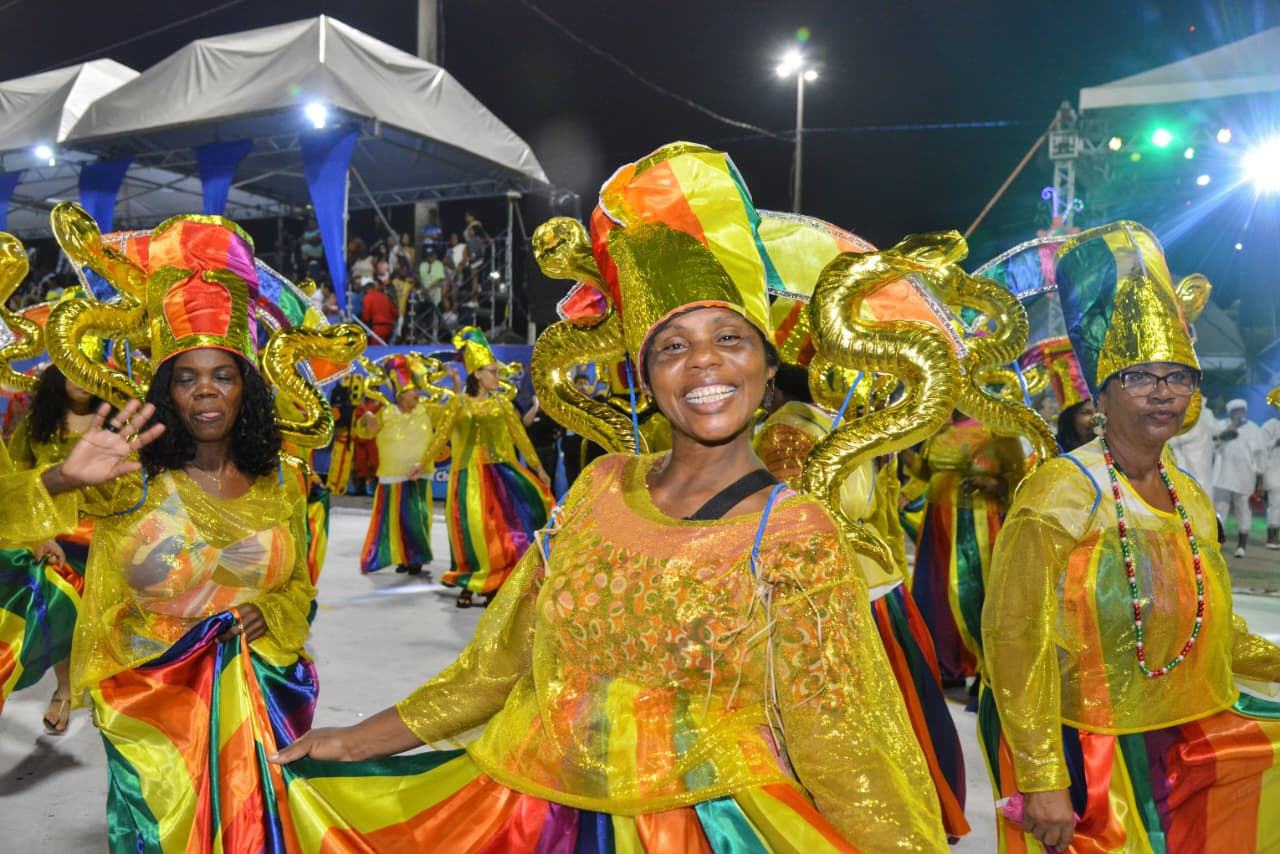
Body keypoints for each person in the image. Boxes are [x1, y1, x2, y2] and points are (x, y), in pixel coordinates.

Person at [271, 142, 947, 851]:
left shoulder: (796, 533)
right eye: (672, 346)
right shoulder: (598, 489)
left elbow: (836, 737)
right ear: (645, 376)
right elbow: (498, 664)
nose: (705, 361)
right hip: (538, 816)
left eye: (728, 337)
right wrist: (357, 740)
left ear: (767, 364)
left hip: (704, 828)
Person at [0, 208, 356, 851]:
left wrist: (267, 615)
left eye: (223, 375)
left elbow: (299, 591)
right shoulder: (127, 474)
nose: (206, 392)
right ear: (167, 389)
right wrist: (61, 480)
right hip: (151, 710)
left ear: (248, 387)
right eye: (186, 378)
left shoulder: (285, 481)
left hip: (263, 701)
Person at [982, 221, 1280, 853]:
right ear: (1102, 392)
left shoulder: (1189, 496)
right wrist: (1043, 779)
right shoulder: (1059, 494)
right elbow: (1015, 641)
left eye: (1179, 375)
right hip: (1090, 752)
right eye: (1140, 376)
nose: (1164, 391)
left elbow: (1214, 630)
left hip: (1186, 739)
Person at [3, 362, 102, 732]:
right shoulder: (36, 424)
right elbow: (16, 485)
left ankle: (107, 689)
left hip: (107, 529)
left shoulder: (115, 422)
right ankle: (64, 690)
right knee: (62, 601)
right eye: (71, 370)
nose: (80, 380)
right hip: (57, 533)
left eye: (88, 369)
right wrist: (32, 536)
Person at [909, 410, 1027, 685]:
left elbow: (1020, 477)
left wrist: (994, 483)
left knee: (972, 589)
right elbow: (922, 473)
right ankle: (944, 662)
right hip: (937, 521)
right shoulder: (938, 430)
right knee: (935, 590)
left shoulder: (999, 429)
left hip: (977, 523)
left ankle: (984, 663)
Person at [439, 327, 551, 607]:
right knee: (468, 529)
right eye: (492, 372)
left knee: (496, 531)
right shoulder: (458, 403)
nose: (498, 377)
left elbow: (519, 437)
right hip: (465, 475)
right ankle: (467, 582)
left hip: (498, 474)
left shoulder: (502, 404)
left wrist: (538, 468)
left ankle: (493, 582)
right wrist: (422, 463)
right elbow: (441, 435)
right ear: (477, 373)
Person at [358, 355, 438, 577]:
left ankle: (416, 557)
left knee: (417, 517)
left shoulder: (426, 410)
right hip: (392, 476)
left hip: (419, 475)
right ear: (401, 395)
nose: (417, 395)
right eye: (413, 392)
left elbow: (451, 417)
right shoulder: (386, 413)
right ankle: (403, 556)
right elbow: (366, 431)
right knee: (394, 520)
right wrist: (365, 418)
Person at [1212, 398, 1264, 557]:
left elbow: (1260, 455)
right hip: (1222, 477)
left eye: (1241, 410)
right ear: (1230, 413)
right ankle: (1217, 544)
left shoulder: (1254, 429)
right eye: (1235, 411)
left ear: (1245, 412)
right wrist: (1229, 430)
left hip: (1245, 478)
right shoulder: (1220, 426)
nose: (1239, 413)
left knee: (1244, 511)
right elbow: (1213, 445)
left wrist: (1260, 479)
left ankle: (1241, 546)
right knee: (1219, 511)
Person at [361, 277, 398, 345]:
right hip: (389, 328)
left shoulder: (368, 297)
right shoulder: (384, 297)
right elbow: (395, 313)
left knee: (377, 351)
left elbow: (366, 318)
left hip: (378, 329)